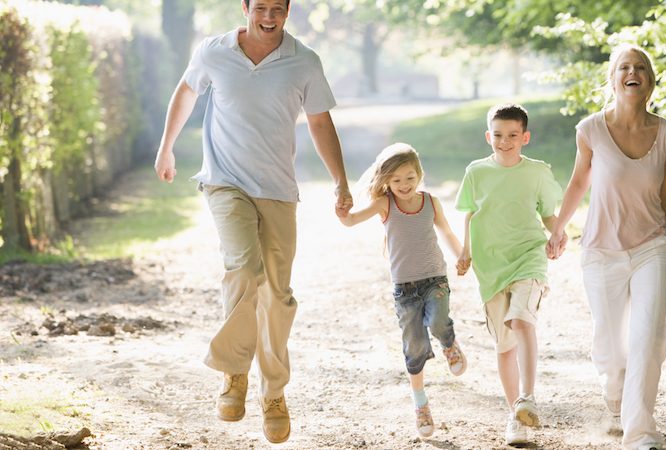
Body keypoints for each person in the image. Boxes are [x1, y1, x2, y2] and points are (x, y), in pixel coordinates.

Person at [153, 0, 352, 444]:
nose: (268, 17)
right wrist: (166, 146)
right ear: (245, 7)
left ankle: (274, 394)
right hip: (225, 183)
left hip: (278, 190)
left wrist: (340, 181)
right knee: (244, 269)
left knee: (277, 295)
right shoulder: (214, 51)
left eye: (277, 10)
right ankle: (234, 371)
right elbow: (187, 91)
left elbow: (320, 122)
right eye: (260, 7)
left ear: (287, 12)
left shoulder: (304, 62)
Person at [546, 44, 666, 450]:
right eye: (624, 66)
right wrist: (557, 229)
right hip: (601, 250)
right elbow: (577, 184)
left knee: (650, 339)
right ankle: (615, 390)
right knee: (608, 345)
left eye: (641, 67)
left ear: (650, 81)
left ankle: (640, 433)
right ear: (613, 78)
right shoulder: (590, 130)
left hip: (651, 248)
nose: (633, 71)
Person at [336, 143, 468, 438]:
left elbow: (445, 230)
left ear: (419, 174)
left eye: (409, 177)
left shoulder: (431, 202)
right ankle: (421, 404)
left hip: (435, 278)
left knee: (437, 321)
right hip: (405, 289)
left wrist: (461, 255)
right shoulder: (385, 204)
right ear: (386, 181)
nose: (404, 185)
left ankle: (449, 343)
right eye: (396, 180)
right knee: (415, 346)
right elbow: (352, 220)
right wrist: (343, 211)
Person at [456, 103, 562, 446]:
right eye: (498, 135)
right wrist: (465, 252)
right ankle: (514, 417)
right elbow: (471, 215)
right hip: (491, 267)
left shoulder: (538, 173)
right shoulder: (476, 172)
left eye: (513, 135)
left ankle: (527, 397)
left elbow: (549, 214)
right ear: (489, 136)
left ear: (525, 137)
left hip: (529, 257)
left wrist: (559, 234)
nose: (505, 142)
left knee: (522, 320)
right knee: (504, 347)